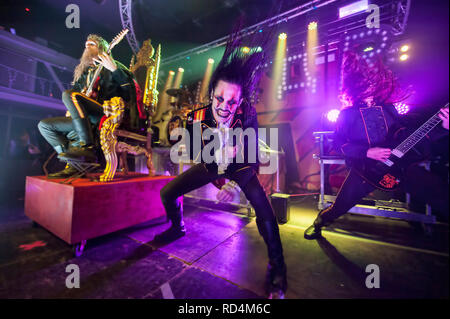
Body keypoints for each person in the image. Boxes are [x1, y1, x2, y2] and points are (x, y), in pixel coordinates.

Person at [155, 34, 287, 299]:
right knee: (167, 193)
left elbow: (249, 156)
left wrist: (233, 183)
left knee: (265, 212)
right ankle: (177, 227)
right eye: (219, 99)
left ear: (239, 101)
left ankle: (278, 265)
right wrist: (217, 159)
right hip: (213, 164)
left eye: (231, 101)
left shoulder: (247, 114)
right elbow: (200, 157)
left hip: (241, 167)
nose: (224, 107)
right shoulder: (198, 118)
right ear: (211, 94)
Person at [304, 50, 416, 239]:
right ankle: (320, 222)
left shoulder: (390, 109)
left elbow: (405, 134)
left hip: (395, 169)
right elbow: (338, 144)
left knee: (425, 186)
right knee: (339, 207)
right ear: (356, 83)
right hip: (364, 171)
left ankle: (420, 219)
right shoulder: (347, 114)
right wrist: (366, 152)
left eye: (372, 79)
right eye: (365, 80)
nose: (370, 84)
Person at [38, 34, 143, 178]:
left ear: (104, 49)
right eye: (86, 44)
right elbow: (77, 98)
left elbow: (131, 92)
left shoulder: (116, 66)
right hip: (83, 118)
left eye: (92, 44)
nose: (87, 46)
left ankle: (87, 148)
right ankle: (74, 161)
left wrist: (114, 70)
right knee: (44, 126)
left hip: (105, 113)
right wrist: (71, 109)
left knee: (68, 94)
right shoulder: (84, 73)